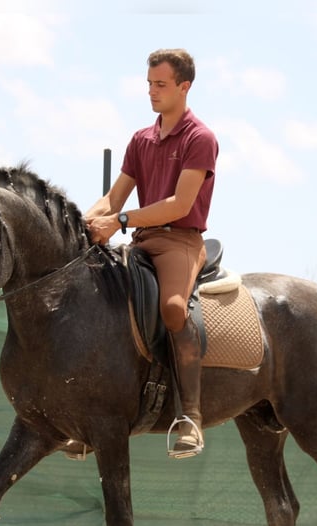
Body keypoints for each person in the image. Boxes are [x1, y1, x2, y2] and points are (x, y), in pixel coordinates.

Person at [85, 48, 218, 459]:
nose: (152, 92)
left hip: (180, 241)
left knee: (175, 308)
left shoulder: (201, 139)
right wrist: (82, 222)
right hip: (141, 241)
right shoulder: (140, 140)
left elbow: (180, 205)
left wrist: (120, 221)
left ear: (184, 86)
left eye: (160, 85)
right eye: (149, 85)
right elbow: (113, 197)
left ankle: (190, 417)